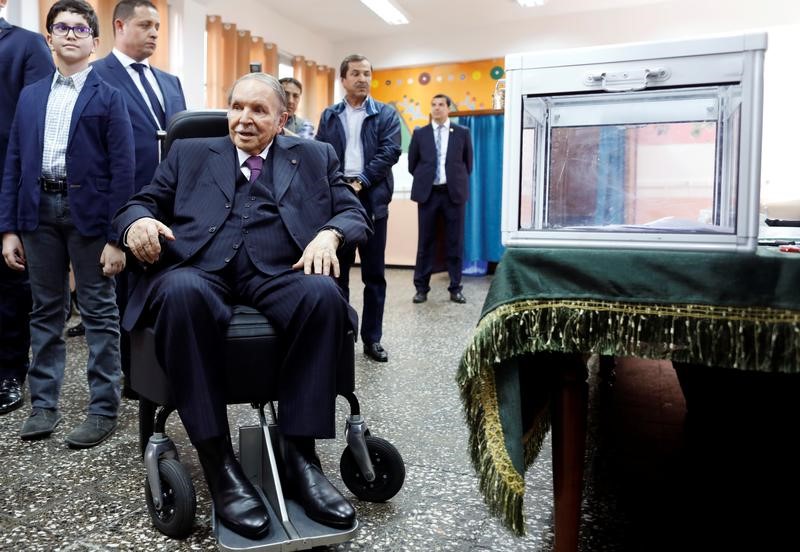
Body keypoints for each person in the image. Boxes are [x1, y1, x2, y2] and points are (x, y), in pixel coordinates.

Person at [112, 72, 369, 539]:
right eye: (237, 108)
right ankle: (219, 464)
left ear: (283, 118)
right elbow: (139, 203)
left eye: (259, 111)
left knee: (322, 295)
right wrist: (137, 225)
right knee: (180, 294)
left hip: (278, 266)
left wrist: (330, 234)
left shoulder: (316, 156)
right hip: (199, 265)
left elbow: (352, 212)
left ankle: (299, 456)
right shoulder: (188, 153)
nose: (244, 120)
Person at [0, 0, 134, 446]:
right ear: (49, 38)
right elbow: (14, 164)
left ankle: (102, 408)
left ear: (96, 42)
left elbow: (123, 170)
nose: (71, 34)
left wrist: (117, 236)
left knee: (98, 310)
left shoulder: (109, 97)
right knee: (44, 310)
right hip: (37, 213)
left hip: (91, 217)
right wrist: (9, 228)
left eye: (81, 28)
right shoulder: (32, 94)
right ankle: (44, 405)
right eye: (62, 27)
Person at [92, 0, 187, 396]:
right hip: (124, 201)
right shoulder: (96, 76)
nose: (153, 33)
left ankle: (169, 367)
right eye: (145, 25)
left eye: (158, 28)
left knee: (166, 289)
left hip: (172, 204)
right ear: (119, 25)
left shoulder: (171, 82)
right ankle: (133, 379)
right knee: (124, 296)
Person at [316, 54, 401, 363]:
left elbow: (391, 151)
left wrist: (362, 181)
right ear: (343, 79)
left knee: (374, 275)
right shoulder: (329, 115)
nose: (363, 78)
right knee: (339, 276)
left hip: (373, 200)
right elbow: (320, 152)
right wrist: (338, 184)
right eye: (356, 73)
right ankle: (342, 336)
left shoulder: (386, 114)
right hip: (339, 199)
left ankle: (372, 339)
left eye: (367, 73)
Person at [0, 0, 55, 415]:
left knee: (7, 283)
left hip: (5, 180)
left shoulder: (26, 45)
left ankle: (7, 373)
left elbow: (32, 125)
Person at [408, 94, 473, 304]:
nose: (437, 108)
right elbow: (413, 164)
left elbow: (468, 164)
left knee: (455, 242)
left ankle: (455, 288)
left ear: (448, 108)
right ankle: (421, 289)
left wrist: (454, 180)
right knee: (425, 243)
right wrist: (427, 180)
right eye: (433, 105)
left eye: (441, 105)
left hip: (453, 194)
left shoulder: (462, 132)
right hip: (428, 194)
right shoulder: (420, 133)